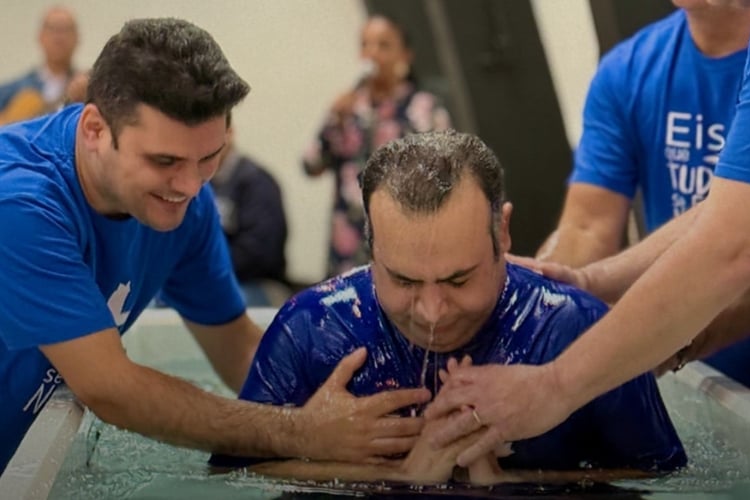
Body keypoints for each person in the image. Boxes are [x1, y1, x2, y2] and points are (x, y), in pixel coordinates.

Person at [0, 17, 431, 473]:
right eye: (164, 160)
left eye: (209, 157)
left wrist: (369, 427)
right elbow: (113, 389)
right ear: (95, 130)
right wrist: (303, 431)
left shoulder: (187, 204)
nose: (188, 186)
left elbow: (239, 349)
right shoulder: (19, 204)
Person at [423, 0, 750, 468]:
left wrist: (557, 384)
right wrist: (573, 289)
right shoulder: (635, 69)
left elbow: (741, 246)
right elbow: (719, 215)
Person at [212, 131, 686, 484]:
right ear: (370, 250)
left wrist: (508, 485)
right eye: (403, 280)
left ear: (502, 234)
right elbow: (227, 479)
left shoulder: (577, 331)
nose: (433, 311)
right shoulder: (312, 330)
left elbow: (666, 480)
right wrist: (382, 473)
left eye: (459, 278)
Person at [534, 1, 750, 426]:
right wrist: (530, 315)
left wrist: (645, 345)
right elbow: (585, 226)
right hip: (708, 388)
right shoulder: (628, 70)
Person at [302, 13, 451, 279]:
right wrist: (334, 120)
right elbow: (310, 165)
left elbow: (445, 172)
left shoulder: (423, 108)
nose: (372, 53)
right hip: (349, 240)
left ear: (405, 55)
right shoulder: (347, 108)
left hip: (406, 235)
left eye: (383, 45)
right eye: (365, 45)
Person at [210, 125, 289, 306]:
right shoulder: (193, 185)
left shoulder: (258, 183)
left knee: (214, 303)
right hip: (205, 279)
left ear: (229, 133)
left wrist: (204, 269)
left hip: (256, 283)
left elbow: (260, 254)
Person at [0, 5, 80, 125]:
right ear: (40, 36)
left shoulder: (85, 87)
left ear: (77, 38)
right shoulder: (13, 90)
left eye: (66, 30)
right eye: (52, 29)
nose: (59, 38)